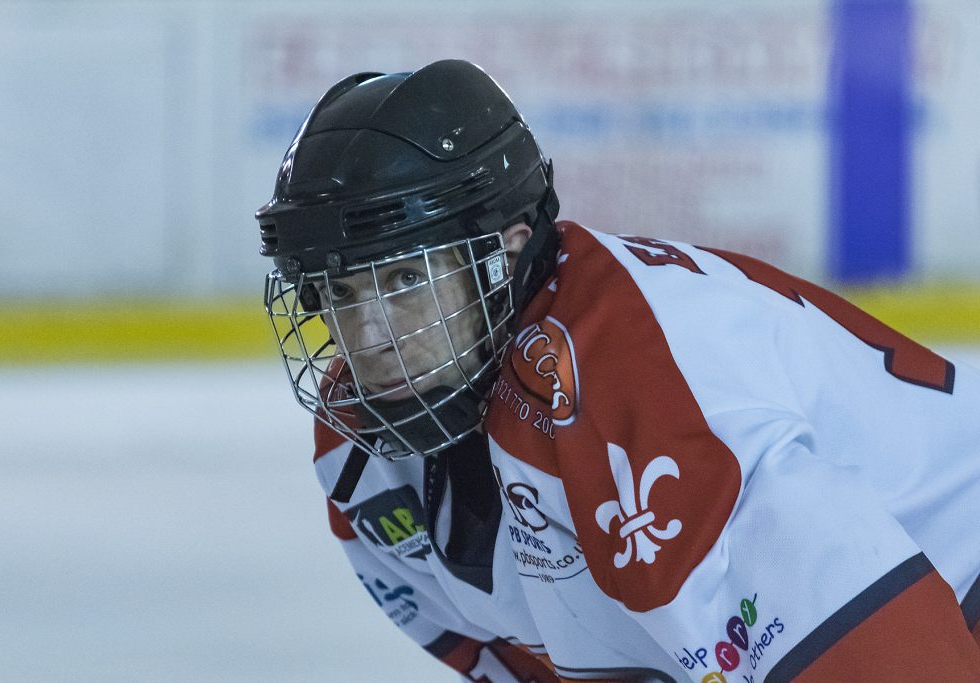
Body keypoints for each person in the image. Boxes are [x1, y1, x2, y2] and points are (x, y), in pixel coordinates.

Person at [254, 60, 980, 682]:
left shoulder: (629, 381)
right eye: (341, 292)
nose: (366, 333)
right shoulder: (360, 459)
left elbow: (884, 649)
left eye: (404, 279)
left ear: (502, 255)